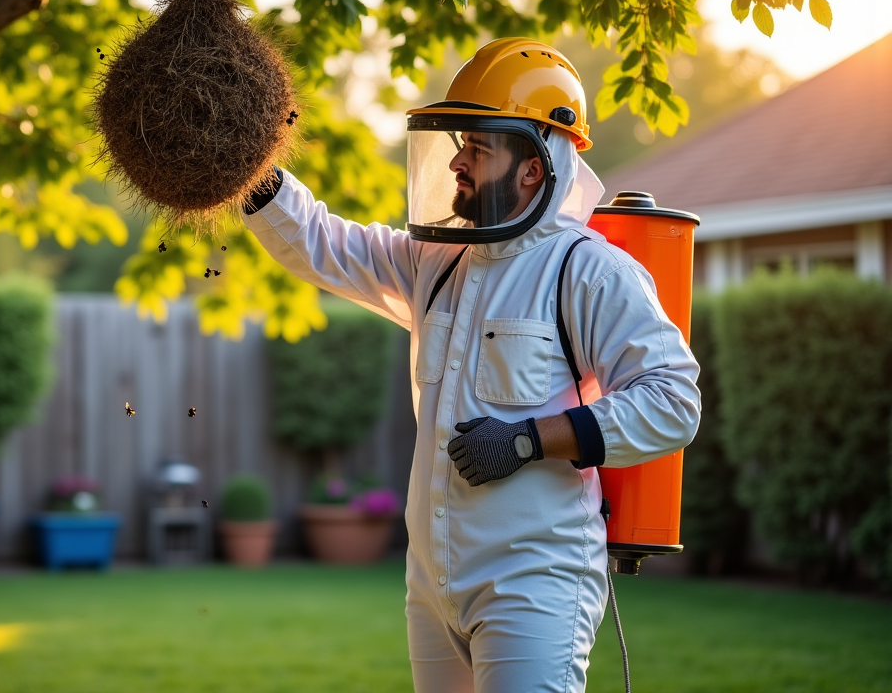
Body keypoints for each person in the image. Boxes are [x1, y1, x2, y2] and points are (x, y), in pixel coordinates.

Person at [240, 38, 701, 692]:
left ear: (534, 166)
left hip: (534, 579)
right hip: (431, 584)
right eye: (458, 143)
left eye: (477, 149)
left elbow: (672, 400)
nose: (456, 162)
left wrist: (528, 440)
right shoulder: (438, 261)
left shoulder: (586, 268)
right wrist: (247, 170)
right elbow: (322, 242)